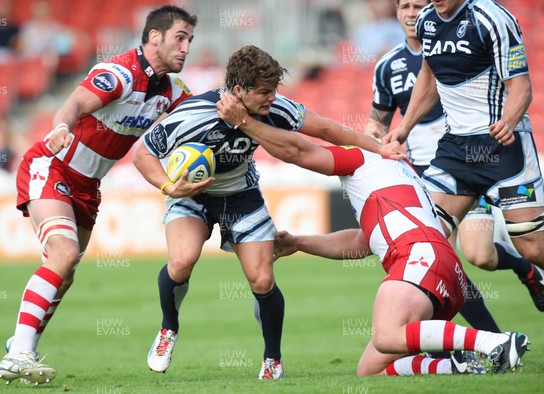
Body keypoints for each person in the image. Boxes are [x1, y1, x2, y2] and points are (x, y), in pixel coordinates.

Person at [133, 45, 405, 380]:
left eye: (274, 90)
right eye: (264, 92)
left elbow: (326, 130)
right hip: (191, 197)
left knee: (262, 279)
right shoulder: (192, 114)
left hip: (240, 196)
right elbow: (143, 154)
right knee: (181, 261)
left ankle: (272, 358)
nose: (271, 98)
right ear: (238, 91)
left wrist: (378, 147)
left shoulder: (275, 107)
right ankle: (168, 329)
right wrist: (169, 187)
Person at [215, 91, 531, 376]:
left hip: (418, 258)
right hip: (443, 268)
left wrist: (244, 122)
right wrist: (298, 243)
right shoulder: (394, 171)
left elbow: (296, 152)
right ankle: (455, 365)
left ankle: (497, 342)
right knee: (371, 368)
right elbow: (362, 242)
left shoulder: (361, 156)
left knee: (386, 335)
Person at [0, 5, 198, 385]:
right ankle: (18, 352)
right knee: (64, 253)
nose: (186, 47)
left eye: (189, 40)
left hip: (89, 186)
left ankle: (23, 346)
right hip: (53, 166)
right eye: (180, 38)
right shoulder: (119, 73)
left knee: (65, 272)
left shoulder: (172, 90)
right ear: (154, 37)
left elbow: (200, 117)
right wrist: (60, 127)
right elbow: (73, 103)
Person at [367, 1, 541, 336]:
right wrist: (404, 127)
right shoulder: (427, 24)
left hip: (501, 148)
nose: (419, 8)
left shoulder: (492, 18)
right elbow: (428, 78)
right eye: (407, 4)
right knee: (424, 245)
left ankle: (527, 274)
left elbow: (521, 86)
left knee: (525, 248)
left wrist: (508, 121)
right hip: (454, 153)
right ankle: (473, 340)